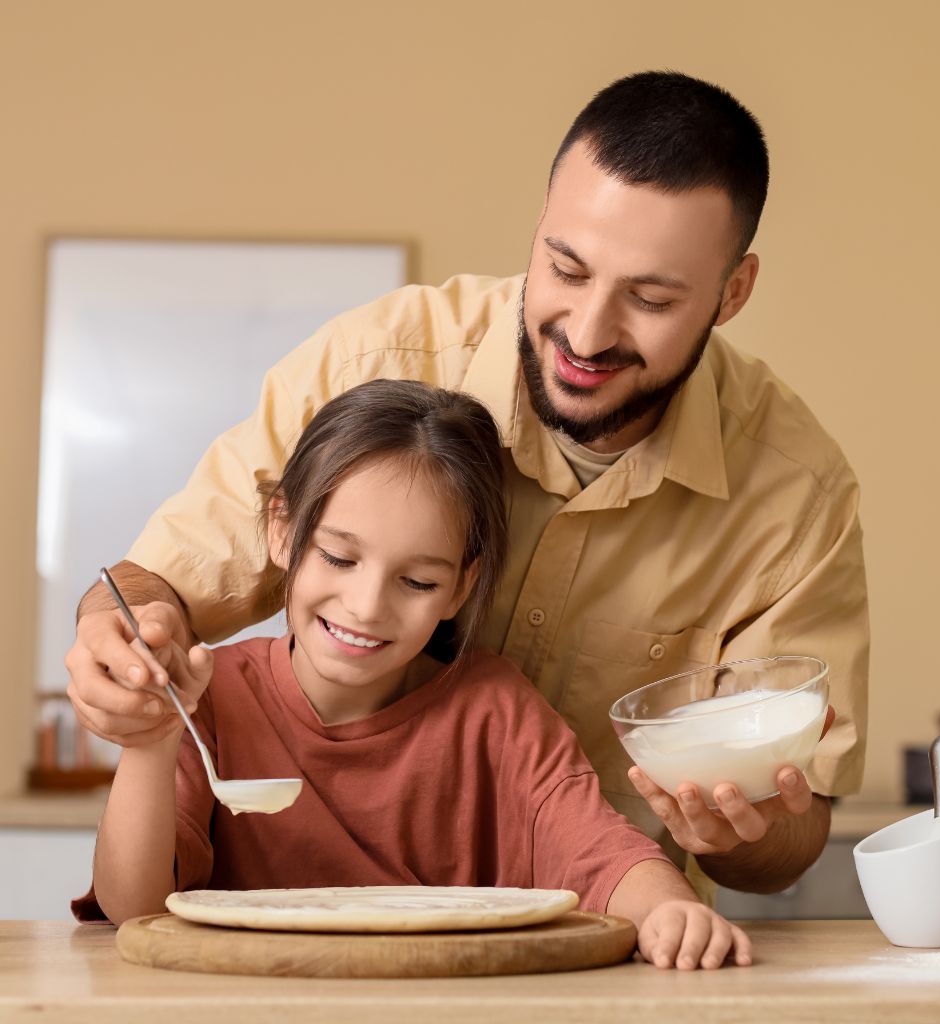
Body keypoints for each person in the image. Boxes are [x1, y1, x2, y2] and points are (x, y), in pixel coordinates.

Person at [66, 70, 869, 900]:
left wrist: (743, 832)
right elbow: (147, 587)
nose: (588, 333)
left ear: (731, 293)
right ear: (539, 231)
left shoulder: (796, 495)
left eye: (652, 298)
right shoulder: (373, 363)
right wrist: (121, 651)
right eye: (566, 267)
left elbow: (794, 833)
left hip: (596, 956)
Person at [72, 380, 752, 972]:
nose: (368, 607)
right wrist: (152, 740)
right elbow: (136, 909)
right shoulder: (207, 697)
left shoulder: (494, 711)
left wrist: (669, 908)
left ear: (462, 587)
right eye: (339, 559)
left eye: (418, 580)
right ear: (284, 532)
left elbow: (597, 852)